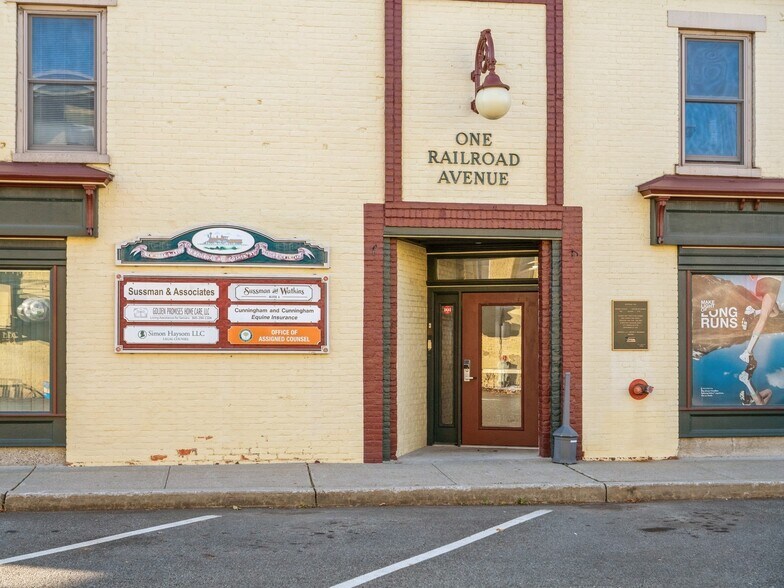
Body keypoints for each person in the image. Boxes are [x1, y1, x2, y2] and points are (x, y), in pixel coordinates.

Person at [739, 275, 783, 363]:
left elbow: (752, 275)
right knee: (763, 319)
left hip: (761, 283)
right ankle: (747, 352)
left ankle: (753, 313)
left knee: (775, 312)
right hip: (772, 283)